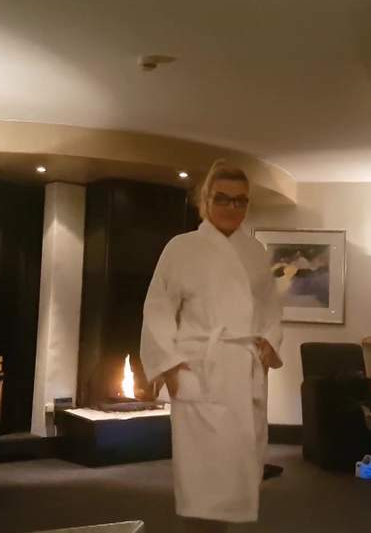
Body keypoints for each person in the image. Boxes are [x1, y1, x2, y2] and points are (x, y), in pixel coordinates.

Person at [140, 159, 283, 532]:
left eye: (240, 200)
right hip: (200, 369)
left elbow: (270, 306)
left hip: (243, 370)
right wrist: (171, 366)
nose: (232, 207)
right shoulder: (181, 248)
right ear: (205, 199)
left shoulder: (255, 252)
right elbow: (157, 308)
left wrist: (269, 340)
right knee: (203, 477)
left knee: (241, 467)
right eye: (223, 198)